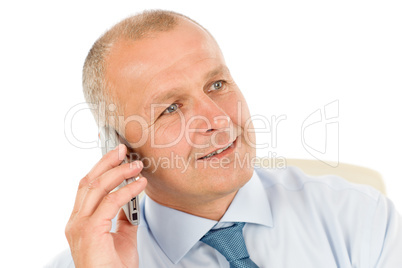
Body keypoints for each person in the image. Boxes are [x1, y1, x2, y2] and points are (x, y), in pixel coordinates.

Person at [48, 10, 402, 267]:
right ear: (119, 149)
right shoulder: (91, 263)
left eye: (217, 85)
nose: (218, 119)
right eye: (171, 108)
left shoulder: (360, 219)